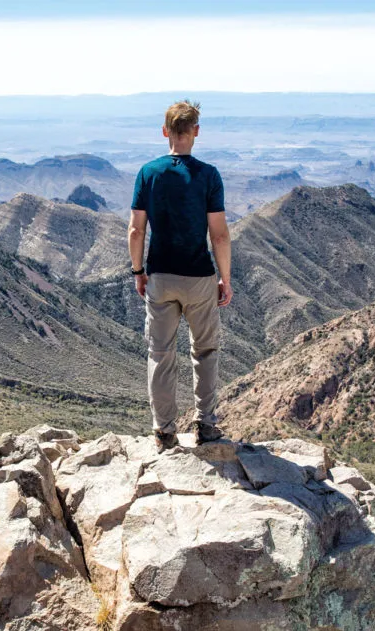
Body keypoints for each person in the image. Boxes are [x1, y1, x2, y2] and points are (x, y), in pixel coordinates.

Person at [128, 100, 233, 453]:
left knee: (160, 353)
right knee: (205, 351)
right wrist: (225, 278)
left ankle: (164, 432)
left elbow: (136, 230)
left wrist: (138, 271)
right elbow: (219, 235)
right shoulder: (209, 175)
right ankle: (206, 425)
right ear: (196, 131)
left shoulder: (148, 173)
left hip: (160, 275)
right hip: (199, 277)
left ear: (165, 131)